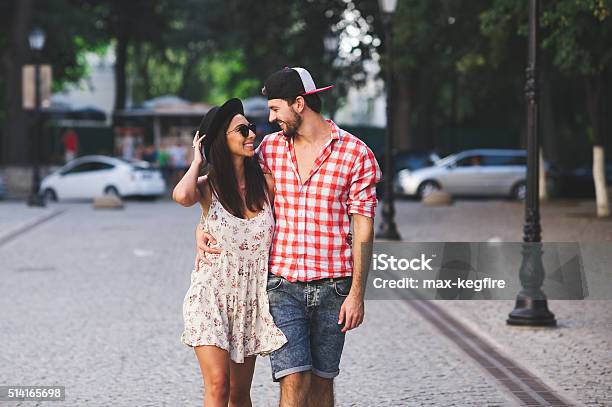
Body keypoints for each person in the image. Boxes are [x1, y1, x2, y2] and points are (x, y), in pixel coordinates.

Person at [196, 67, 381, 406]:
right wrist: (203, 224)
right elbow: (234, 194)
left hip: (334, 288)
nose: (270, 117)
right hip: (282, 287)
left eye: (275, 108)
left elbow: (364, 228)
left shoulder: (356, 154)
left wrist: (357, 294)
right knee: (293, 378)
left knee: (323, 385)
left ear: (299, 104)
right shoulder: (269, 149)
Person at [173, 98, 287, 407]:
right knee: (218, 385)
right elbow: (182, 196)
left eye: (251, 128)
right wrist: (198, 158)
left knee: (239, 394)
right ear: (222, 138)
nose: (252, 134)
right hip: (210, 296)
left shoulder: (266, 185)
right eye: (242, 130)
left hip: (248, 301)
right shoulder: (208, 187)